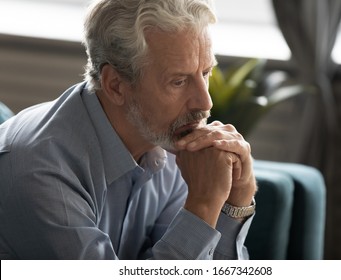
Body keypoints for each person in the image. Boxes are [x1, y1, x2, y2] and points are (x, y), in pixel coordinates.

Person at [0, 0, 257, 259]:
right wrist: (202, 204)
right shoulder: (41, 173)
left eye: (205, 73)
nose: (205, 102)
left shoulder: (172, 141)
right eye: (178, 81)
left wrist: (237, 200)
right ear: (115, 85)